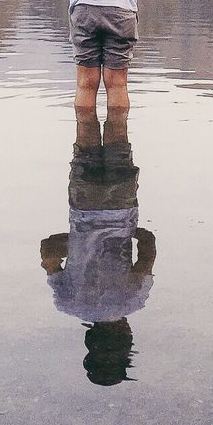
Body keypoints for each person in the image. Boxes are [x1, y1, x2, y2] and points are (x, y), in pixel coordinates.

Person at [40, 110, 157, 385]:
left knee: (119, 127)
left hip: (122, 203)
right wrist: (83, 243)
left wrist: (124, 231)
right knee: (85, 129)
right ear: (89, 340)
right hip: (84, 202)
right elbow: (48, 249)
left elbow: (148, 244)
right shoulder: (67, 302)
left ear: (126, 339)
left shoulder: (134, 301)